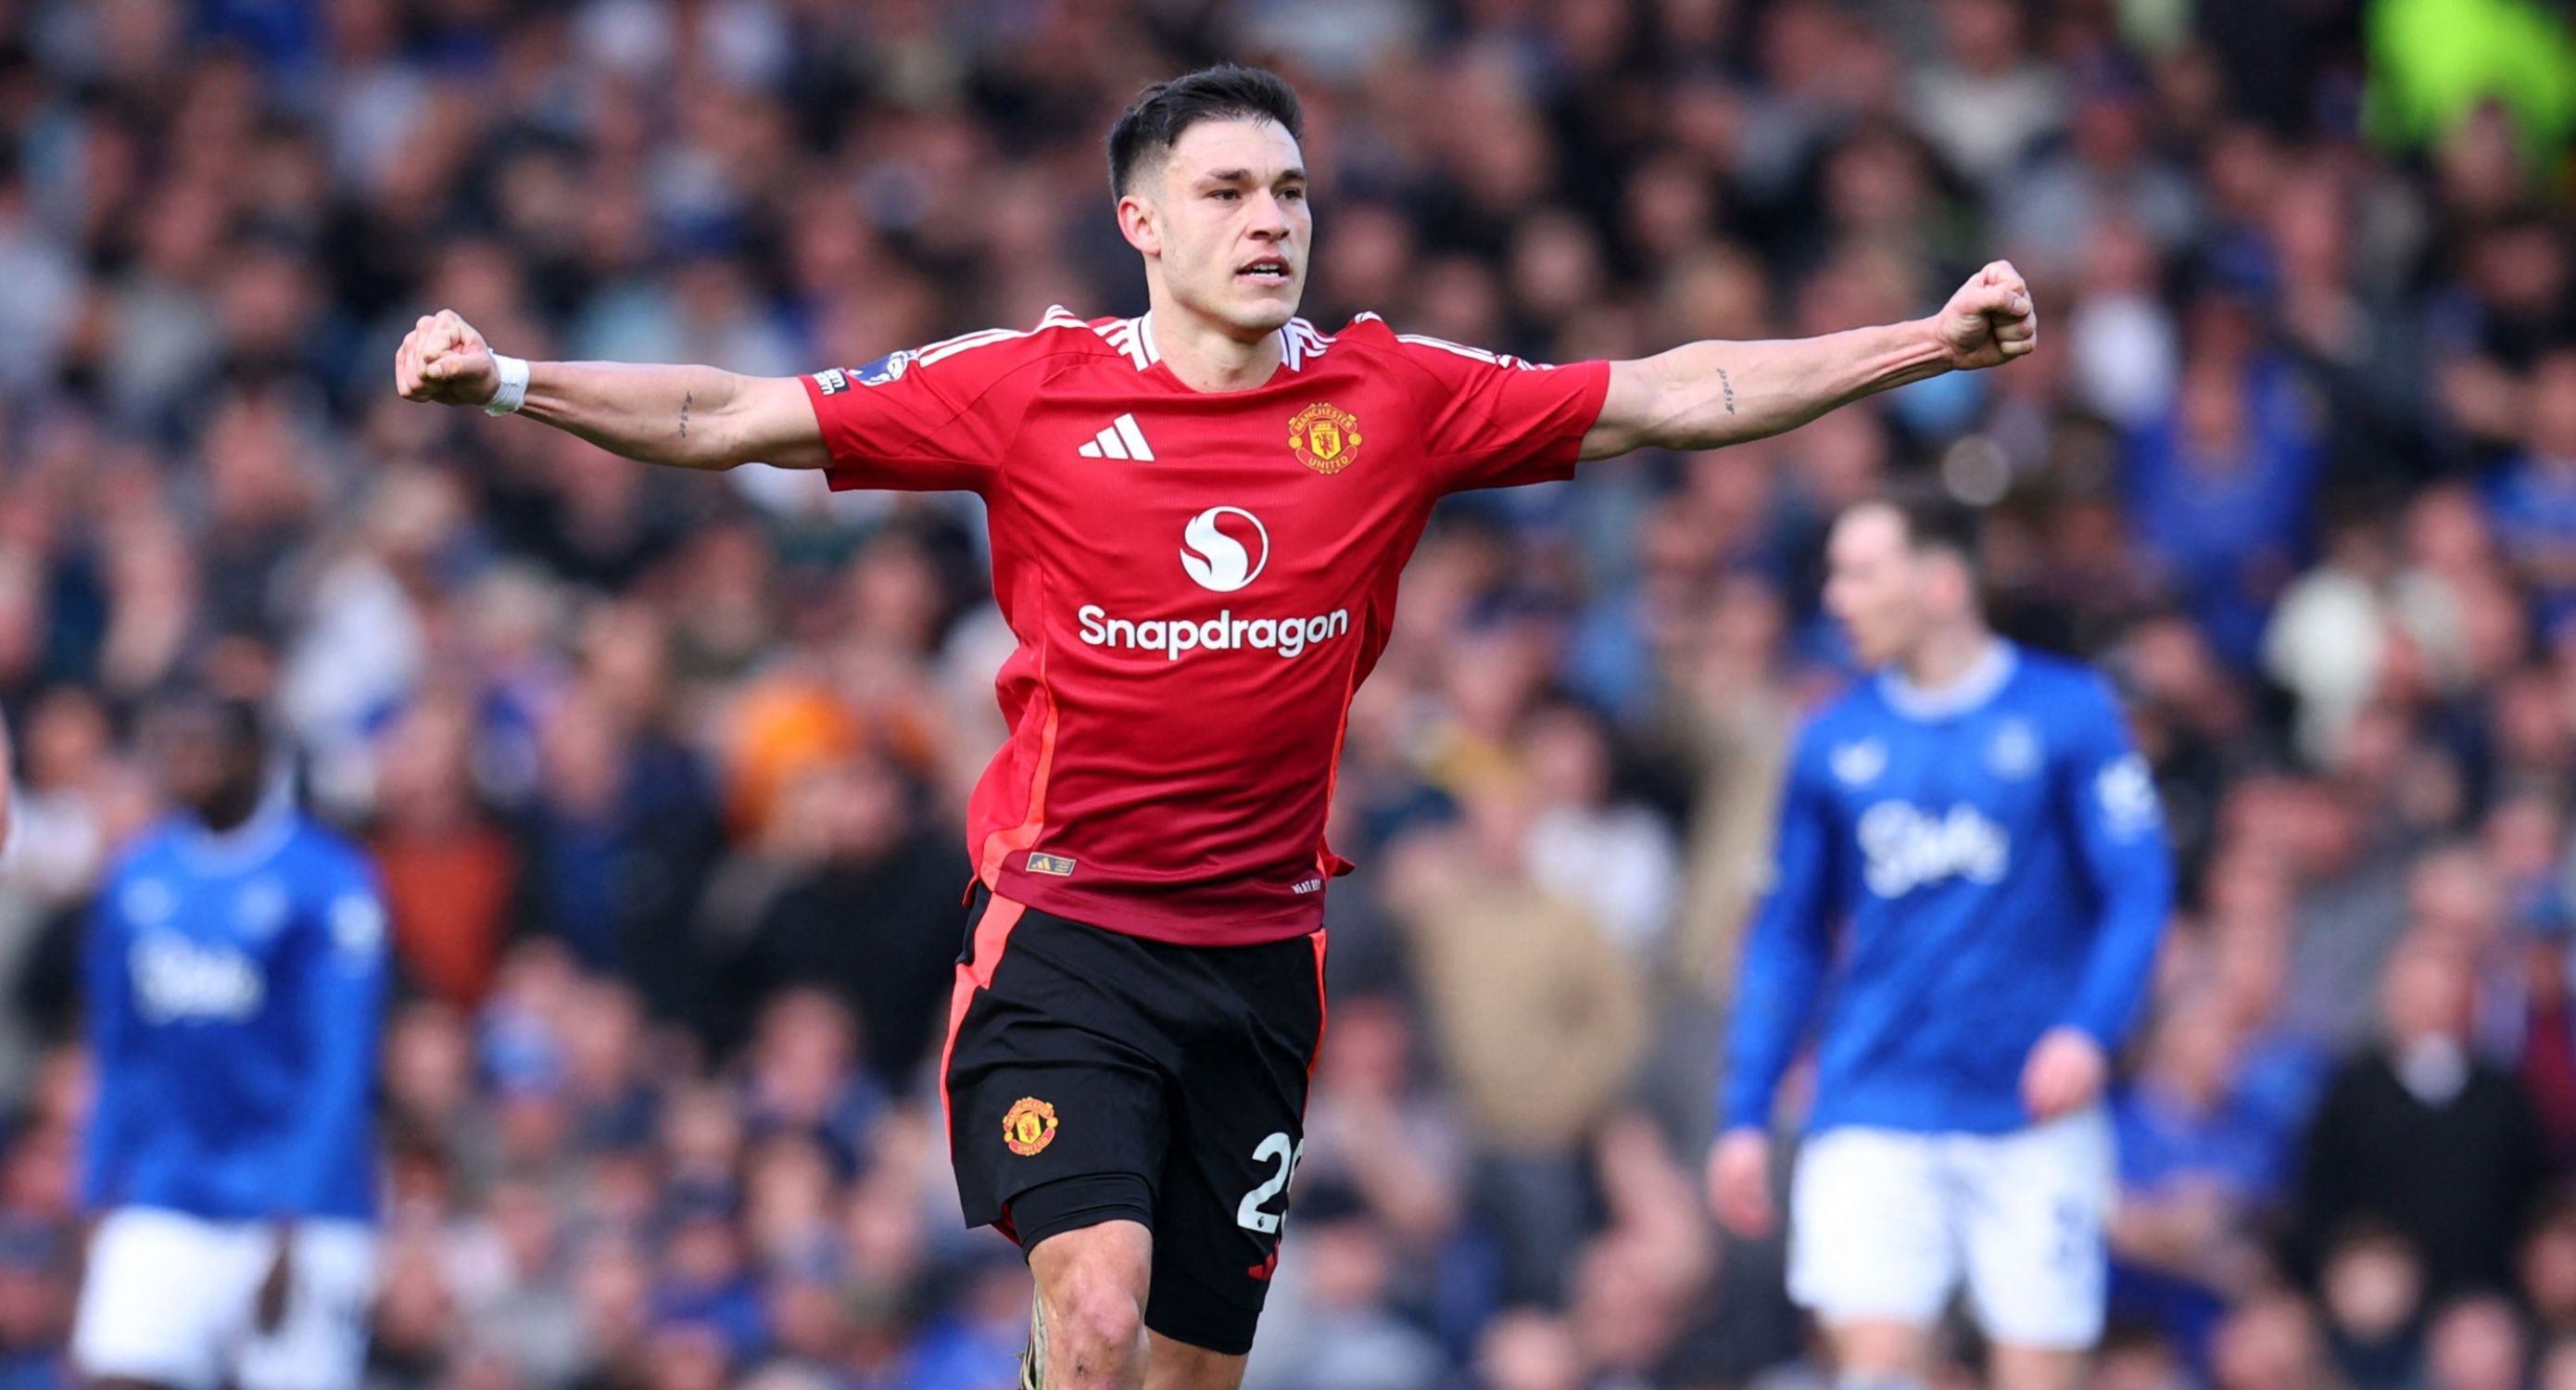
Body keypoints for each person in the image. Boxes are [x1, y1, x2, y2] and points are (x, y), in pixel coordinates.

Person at [392, 64, 2039, 1390]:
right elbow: (736, 415)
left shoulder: (1392, 395)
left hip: (1258, 959)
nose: (1271, 223)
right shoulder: (1029, 385)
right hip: (1066, 935)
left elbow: (1678, 394)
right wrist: (516, 385)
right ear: (1142, 225)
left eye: (1292, 193)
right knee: (1092, 1314)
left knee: (1184, 1367)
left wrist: (1925, 344)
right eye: (1229, 194)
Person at [1707, 496, 2174, 1390]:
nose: (1837, 599)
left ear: (1942, 580)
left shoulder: (2068, 714)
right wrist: (1745, 1109)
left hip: (2030, 1111)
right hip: (1876, 1099)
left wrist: (2088, 1030)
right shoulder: (1831, 741)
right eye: (1834, 574)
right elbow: (1789, 934)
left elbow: (2139, 889)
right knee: (1875, 1375)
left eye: (1862, 573)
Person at [69, 691, 392, 1390]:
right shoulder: (137, 876)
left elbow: (341, 1065)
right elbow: (118, 1050)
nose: (183, 764)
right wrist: (95, 1187)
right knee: (116, 1372)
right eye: (172, 746)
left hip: (295, 1200)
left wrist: (294, 1212)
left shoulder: (329, 880)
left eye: (202, 746)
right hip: (168, 1187)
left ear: (254, 756)